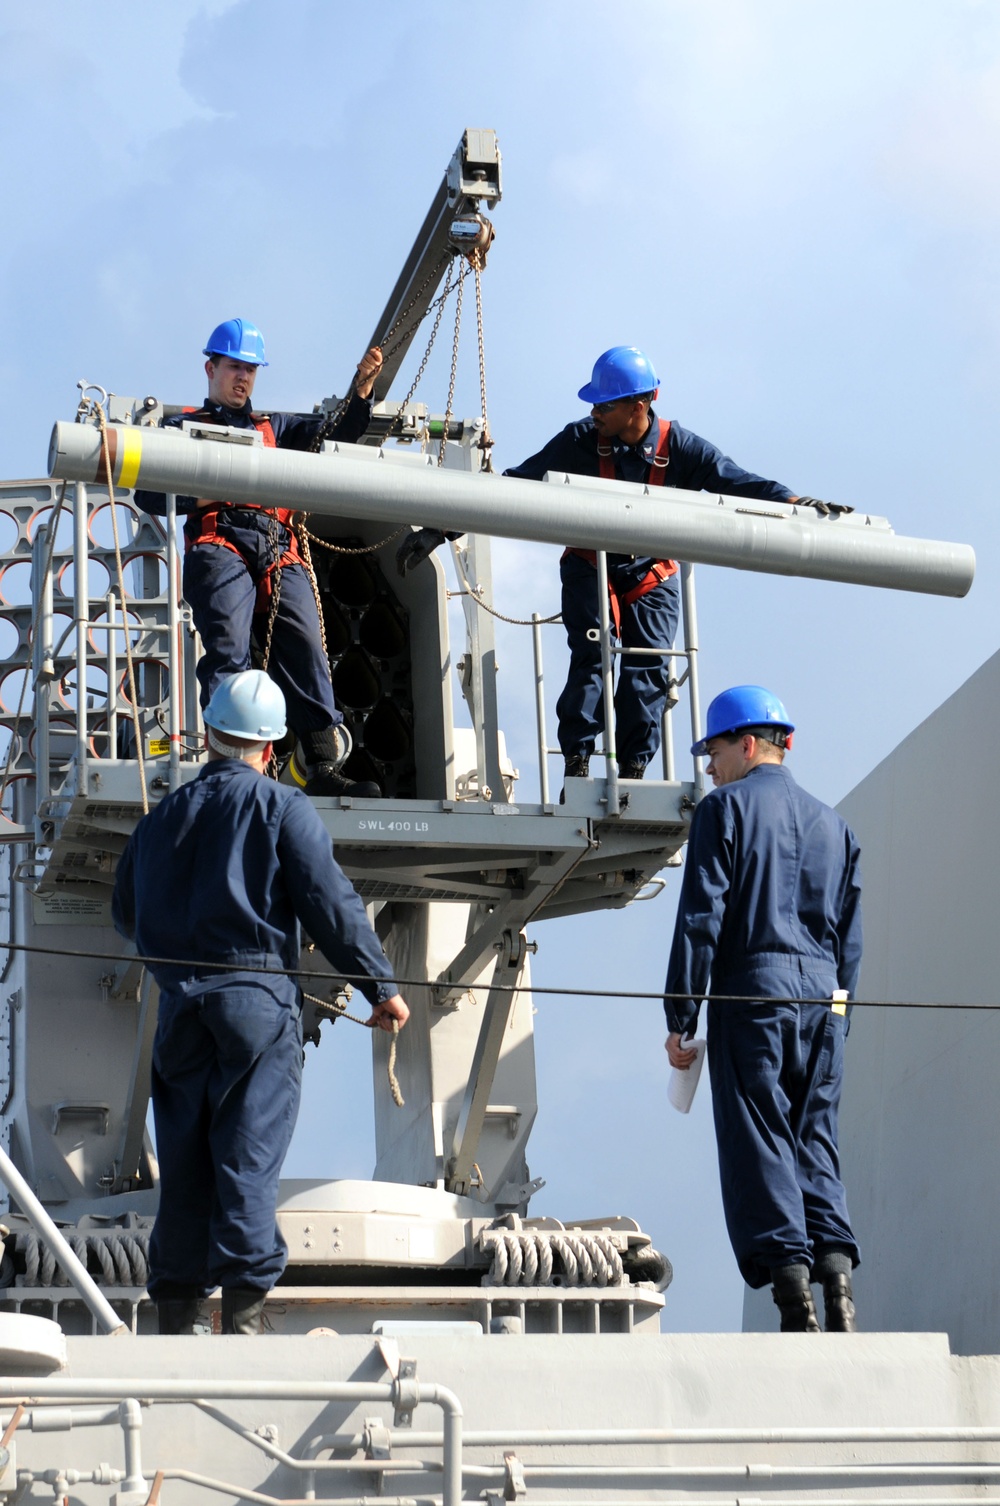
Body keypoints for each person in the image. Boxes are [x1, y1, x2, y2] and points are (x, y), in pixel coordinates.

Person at [111, 669, 410, 1335]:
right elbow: (330, 904)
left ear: (211, 736)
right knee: (245, 1156)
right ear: (270, 749)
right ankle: (243, 1318)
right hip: (255, 1004)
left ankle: (178, 1318)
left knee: (184, 1164)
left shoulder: (156, 823)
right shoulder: (282, 808)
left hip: (179, 1010)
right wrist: (379, 988)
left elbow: (125, 913)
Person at [399, 346, 845, 791]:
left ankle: (633, 773)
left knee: (647, 669)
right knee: (593, 656)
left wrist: (794, 504)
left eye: (604, 404)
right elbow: (516, 485)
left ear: (639, 405)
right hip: (590, 565)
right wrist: (439, 529)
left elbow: (738, 482)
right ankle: (577, 765)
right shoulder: (578, 442)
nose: (594, 411)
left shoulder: (682, 449)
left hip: (651, 574)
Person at [664, 685, 862, 1333]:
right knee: (816, 1138)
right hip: (824, 1001)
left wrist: (680, 1014)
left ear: (748, 744)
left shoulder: (725, 810)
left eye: (714, 751)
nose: (710, 767)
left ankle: (793, 1298)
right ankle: (838, 1284)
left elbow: (701, 914)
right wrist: (838, 1018)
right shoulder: (836, 826)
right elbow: (849, 941)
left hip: (754, 992)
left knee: (761, 1140)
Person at [134, 317, 385, 799]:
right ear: (211, 369)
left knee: (306, 646)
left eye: (250, 369)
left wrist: (363, 388)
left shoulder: (276, 427)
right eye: (234, 367)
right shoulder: (182, 428)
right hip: (220, 544)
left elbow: (338, 435)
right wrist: (207, 496)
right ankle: (230, 767)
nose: (243, 378)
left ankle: (321, 765)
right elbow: (148, 494)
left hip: (277, 548)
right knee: (229, 652)